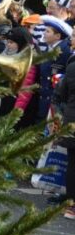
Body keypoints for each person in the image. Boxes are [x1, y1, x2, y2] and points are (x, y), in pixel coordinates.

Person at [53, 26, 75, 219]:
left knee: (72, 163)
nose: (71, 39)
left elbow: (62, 94)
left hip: (72, 119)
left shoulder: (72, 65)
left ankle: (71, 205)